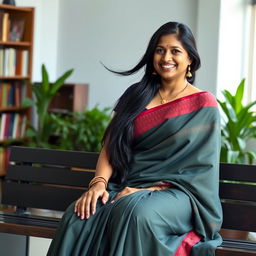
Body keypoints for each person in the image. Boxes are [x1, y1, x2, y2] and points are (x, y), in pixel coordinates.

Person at [47, 21, 222, 256]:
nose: (166, 57)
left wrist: (151, 189)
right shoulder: (135, 95)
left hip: (178, 195)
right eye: (160, 50)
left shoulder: (203, 104)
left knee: (135, 211)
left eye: (175, 51)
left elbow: (201, 171)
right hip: (126, 185)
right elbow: (111, 146)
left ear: (190, 58)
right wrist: (98, 184)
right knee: (79, 214)